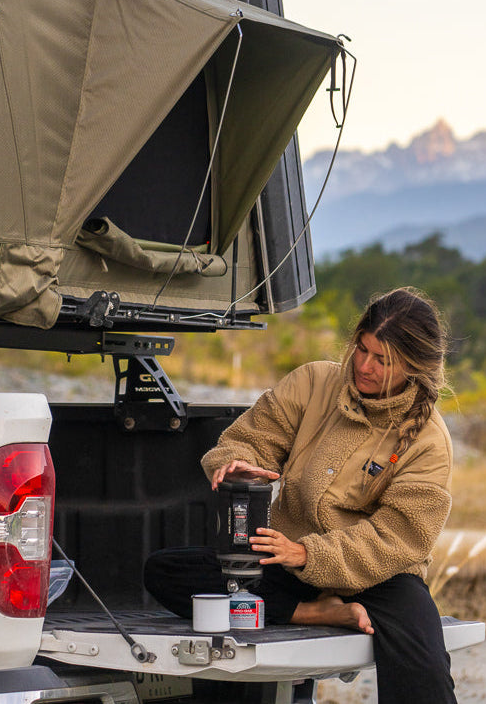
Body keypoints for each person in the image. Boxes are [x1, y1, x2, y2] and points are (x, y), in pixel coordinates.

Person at [144, 287, 457, 704]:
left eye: (383, 360)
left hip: (379, 575)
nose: (364, 366)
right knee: (165, 572)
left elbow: (399, 538)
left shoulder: (430, 440)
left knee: (426, 670)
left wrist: (309, 555)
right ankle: (317, 612)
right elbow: (252, 437)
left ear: (415, 367)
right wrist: (238, 462)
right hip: (284, 559)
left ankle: (318, 605)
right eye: (362, 349)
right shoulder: (314, 381)